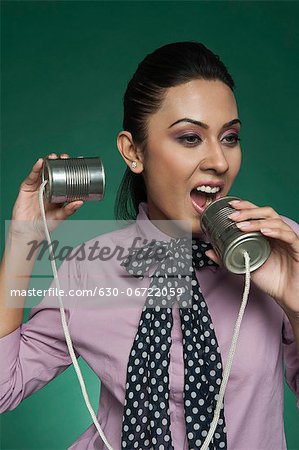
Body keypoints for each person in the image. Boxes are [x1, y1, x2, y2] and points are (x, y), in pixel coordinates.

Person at [0, 41, 298, 450]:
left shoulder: (281, 246)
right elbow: (3, 388)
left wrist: (297, 301)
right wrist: (22, 241)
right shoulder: (91, 266)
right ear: (133, 151)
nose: (220, 161)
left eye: (230, 137)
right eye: (191, 138)